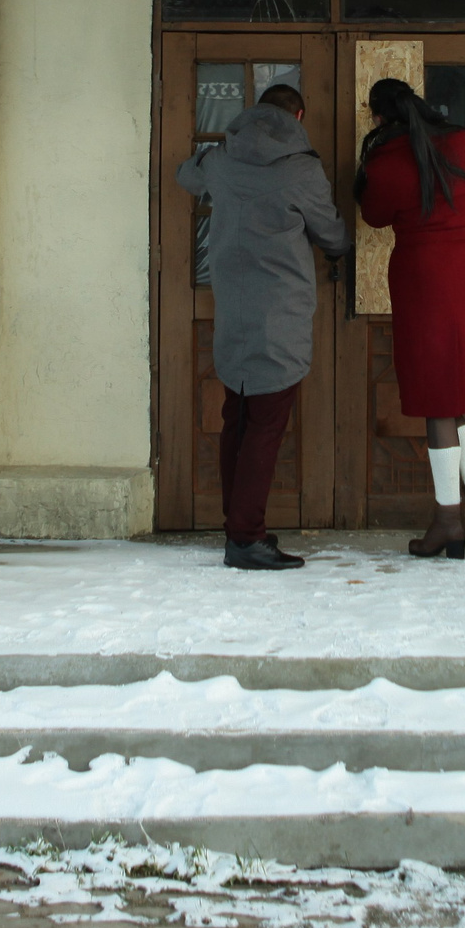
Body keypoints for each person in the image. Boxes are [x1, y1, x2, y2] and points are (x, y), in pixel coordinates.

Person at [176, 84, 350, 571]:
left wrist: (214, 169)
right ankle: (246, 538)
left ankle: (239, 522)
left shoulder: (223, 159)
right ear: (298, 114)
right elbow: (331, 231)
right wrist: (339, 252)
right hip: (281, 312)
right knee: (266, 425)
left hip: (231, 305)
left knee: (239, 416)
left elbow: (185, 176)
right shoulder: (302, 170)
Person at [356, 77, 465, 558]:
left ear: (381, 116)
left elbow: (373, 215)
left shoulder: (386, 161)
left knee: (436, 398)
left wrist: (367, 161)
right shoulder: (460, 141)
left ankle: (450, 519)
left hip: (423, 273)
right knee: (451, 391)